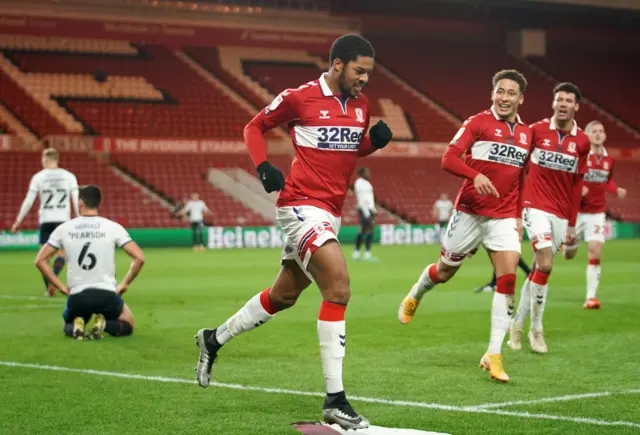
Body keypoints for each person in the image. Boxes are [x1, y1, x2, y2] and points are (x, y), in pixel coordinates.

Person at [193, 34, 392, 430]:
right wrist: (263, 165)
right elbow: (254, 126)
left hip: (330, 212)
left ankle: (212, 339)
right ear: (337, 64)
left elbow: (348, 151)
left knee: (283, 296)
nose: (364, 79)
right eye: (359, 70)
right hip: (299, 205)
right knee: (339, 286)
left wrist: (372, 143)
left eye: (369, 72)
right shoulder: (299, 98)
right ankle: (335, 400)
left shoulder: (361, 105)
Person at [397, 69, 532, 383]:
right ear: (492, 93)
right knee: (444, 272)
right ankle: (416, 293)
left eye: (511, 93)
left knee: (508, 277)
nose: (504, 97)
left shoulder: (527, 134)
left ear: (520, 98)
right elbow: (449, 158)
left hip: (502, 216)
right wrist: (475, 175)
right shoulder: (478, 123)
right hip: (469, 212)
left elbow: (521, 175)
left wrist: (517, 214)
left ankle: (493, 353)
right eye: (500, 91)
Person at [509, 83, 591, 353]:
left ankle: (518, 324)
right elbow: (519, 167)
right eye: (559, 99)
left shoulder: (582, 142)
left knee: (536, 272)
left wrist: (571, 224)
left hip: (560, 212)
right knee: (544, 265)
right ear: (553, 103)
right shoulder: (536, 131)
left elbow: (578, 184)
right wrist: (517, 207)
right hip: (534, 206)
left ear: (576, 106)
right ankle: (537, 329)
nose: (563, 104)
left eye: (569, 100)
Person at [34, 185, 145, 340]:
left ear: (80, 203)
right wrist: (125, 283)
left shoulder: (64, 228)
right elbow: (139, 258)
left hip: (78, 296)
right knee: (128, 323)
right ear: (99, 203)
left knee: (68, 323)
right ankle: (104, 325)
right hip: (107, 294)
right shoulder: (112, 227)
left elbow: (40, 260)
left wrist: (60, 287)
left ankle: (76, 327)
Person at [562, 120, 627, 309]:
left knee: (595, 250)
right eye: (594, 131)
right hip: (577, 212)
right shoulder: (580, 156)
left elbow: (606, 181)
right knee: (569, 254)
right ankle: (568, 246)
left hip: (597, 213)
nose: (598, 134)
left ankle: (591, 297)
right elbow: (569, 179)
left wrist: (616, 190)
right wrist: (578, 189)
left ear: (605, 136)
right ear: (588, 136)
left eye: (601, 131)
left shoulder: (609, 160)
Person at [11, 148, 79, 296]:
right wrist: (80, 218)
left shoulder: (39, 177)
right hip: (63, 220)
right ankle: (53, 283)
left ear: (47, 159)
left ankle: (50, 286)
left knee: (43, 257)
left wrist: (18, 221)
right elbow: (75, 199)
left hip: (46, 220)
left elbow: (28, 201)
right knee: (61, 254)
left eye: (43, 159)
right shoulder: (69, 176)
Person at [352, 167, 377, 261]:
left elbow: (369, 198)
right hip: (364, 210)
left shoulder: (366, 183)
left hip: (369, 210)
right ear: (362, 173)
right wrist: (367, 213)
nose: (369, 174)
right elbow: (362, 199)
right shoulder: (360, 183)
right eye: (367, 172)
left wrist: (373, 209)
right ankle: (366, 253)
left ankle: (357, 252)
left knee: (363, 230)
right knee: (369, 230)